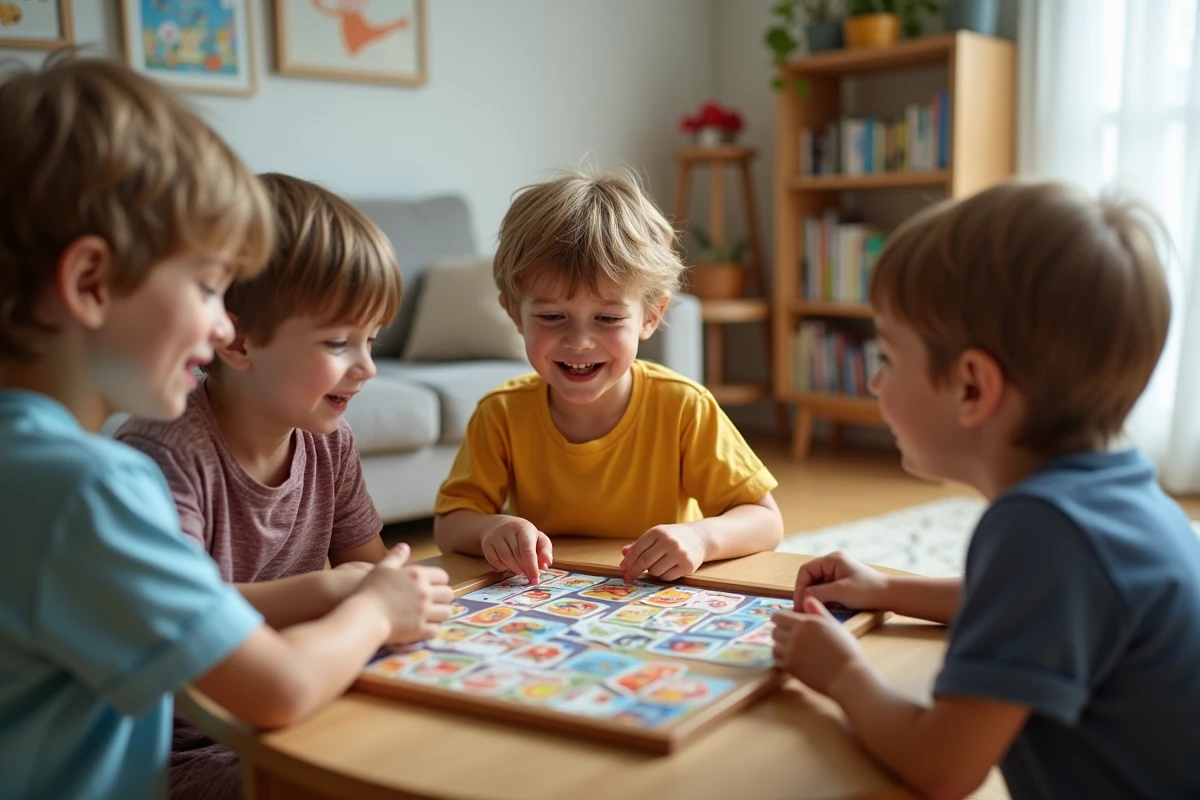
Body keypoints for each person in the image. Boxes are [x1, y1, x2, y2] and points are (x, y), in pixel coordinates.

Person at [0, 53, 452, 799]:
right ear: (89, 283)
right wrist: (370, 608)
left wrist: (349, 591)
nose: (219, 326)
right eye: (208, 286)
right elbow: (276, 690)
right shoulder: (93, 489)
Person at [772, 180, 1200, 798]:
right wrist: (888, 589)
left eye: (888, 358)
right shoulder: (1111, 495)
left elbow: (942, 766)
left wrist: (842, 673)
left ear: (972, 388)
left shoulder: (1041, 530)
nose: (873, 384)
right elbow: (1031, 607)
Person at [116, 171, 403, 798]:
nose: (368, 366)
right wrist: (334, 591)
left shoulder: (330, 439)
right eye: (338, 341)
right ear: (239, 339)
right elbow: (180, 622)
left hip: (307, 703)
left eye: (372, 340)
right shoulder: (161, 457)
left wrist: (398, 593)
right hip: (190, 746)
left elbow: (374, 568)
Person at [433, 169, 784, 584]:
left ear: (650, 316)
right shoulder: (502, 413)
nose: (579, 341)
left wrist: (701, 538)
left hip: (657, 598)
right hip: (550, 601)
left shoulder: (684, 406)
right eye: (552, 316)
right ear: (514, 314)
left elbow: (765, 520)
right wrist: (490, 529)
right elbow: (450, 525)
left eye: (607, 317)